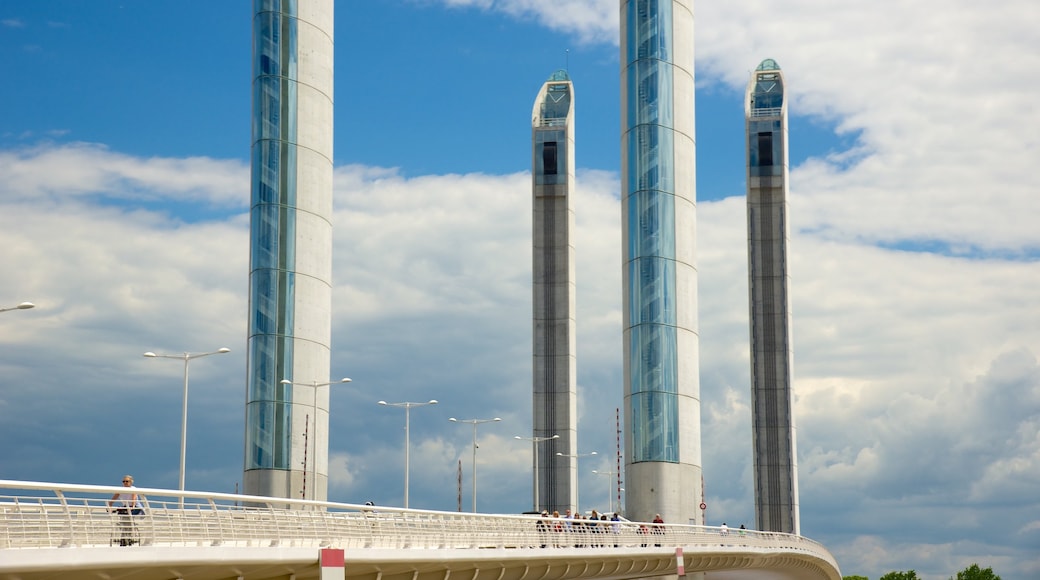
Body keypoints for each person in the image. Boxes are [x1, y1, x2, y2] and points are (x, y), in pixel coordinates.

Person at [109, 475, 142, 546]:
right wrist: (110, 505)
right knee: (123, 519)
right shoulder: (121, 490)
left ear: (131, 482)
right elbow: (113, 499)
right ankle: (124, 538)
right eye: (123, 481)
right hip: (126, 506)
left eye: (127, 481)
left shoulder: (133, 488)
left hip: (136, 507)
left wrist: (132, 506)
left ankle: (128, 537)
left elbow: (134, 497)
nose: (125, 483)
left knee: (128, 519)